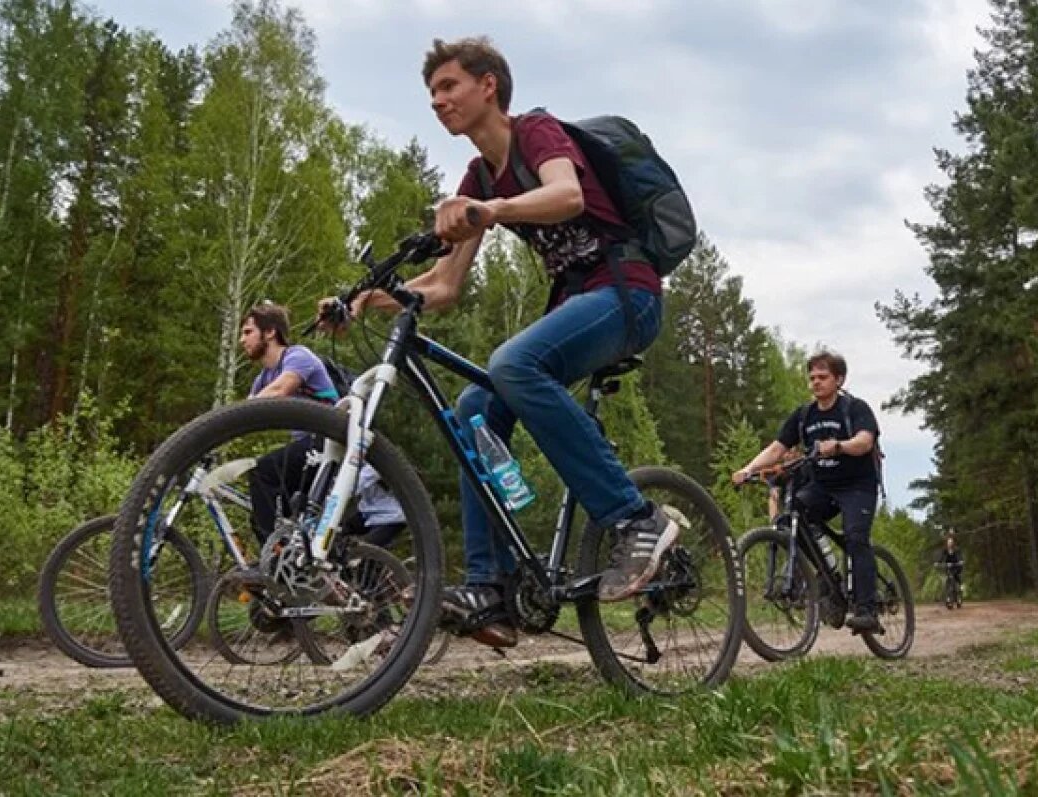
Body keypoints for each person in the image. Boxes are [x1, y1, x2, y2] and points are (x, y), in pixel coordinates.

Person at [326, 36, 674, 647]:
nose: (438, 101)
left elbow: (565, 194)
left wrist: (492, 210)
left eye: (448, 86)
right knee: (474, 409)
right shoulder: (477, 175)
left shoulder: (534, 131)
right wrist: (363, 299)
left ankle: (636, 519)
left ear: (489, 85)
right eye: (431, 93)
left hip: (627, 292)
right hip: (578, 303)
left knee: (513, 363)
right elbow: (444, 286)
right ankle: (491, 590)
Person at [732, 351, 883, 634]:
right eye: (812, 377)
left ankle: (867, 610)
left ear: (839, 379)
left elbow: (864, 441)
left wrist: (839, 445)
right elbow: (777, 448)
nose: (815, 382)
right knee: (790, 519)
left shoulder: (855, 408)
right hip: (823, 486)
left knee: (855, 537)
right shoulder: (804, 415)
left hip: (857, 486)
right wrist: (748, 468)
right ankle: (828, 576)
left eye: (822, 377)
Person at [242, 303, 404, 546]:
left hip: (332, 439)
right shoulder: (262, 378)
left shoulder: (297, 356)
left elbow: (281, 390)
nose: (241, 340)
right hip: (309, 446)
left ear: (270, 332)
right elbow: (240, 418)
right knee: (272, 510)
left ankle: (273, 558)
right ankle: (294, 561)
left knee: (263, 473)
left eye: (248, 332)